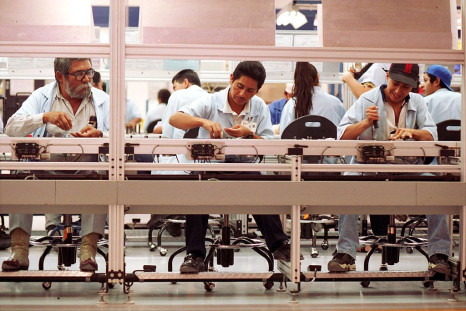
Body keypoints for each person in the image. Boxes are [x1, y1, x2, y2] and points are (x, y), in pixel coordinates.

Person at [169, 61, 296, 274]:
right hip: (210, 166)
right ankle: (195, 255)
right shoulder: (209, 101)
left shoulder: (259, 107)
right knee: (197, 190)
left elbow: (268, 142)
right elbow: (175, 119)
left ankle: (279, 245)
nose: (242, 94)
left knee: (260, 186)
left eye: (250, 90)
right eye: (239, 86)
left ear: (257, 90)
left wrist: (249, 135)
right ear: (231, 79)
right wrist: (203, 122)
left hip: (244, 167)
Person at [327, 63, 451, 276]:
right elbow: (342, 136)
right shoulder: (366, 99)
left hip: (408, 168)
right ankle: (345, 253)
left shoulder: (419, 102)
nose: (398, 91)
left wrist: (411, 132)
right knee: (348, 181)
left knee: (434, 185)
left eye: (405, 87)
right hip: (368, 167)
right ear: (386, 77)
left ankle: (438, 254)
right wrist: (366, 122)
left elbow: (432, 137)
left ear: (414, 87)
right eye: (395, 84)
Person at [2, 58, 109, 272]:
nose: (87, 78)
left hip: (85, 168)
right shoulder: (41, 97)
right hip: (47, 168)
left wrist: (101, 134)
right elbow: (11, 127)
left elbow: (121, 135)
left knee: (101, 173)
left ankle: (88, 251)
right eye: (79, 74)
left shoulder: (102, 100)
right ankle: (19, 250)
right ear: (60, 76)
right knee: (20, 170)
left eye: (89, 72)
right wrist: (42, 117)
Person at [341, 63, 392, 242]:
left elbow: (365, 96)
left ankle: (381, 238)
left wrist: (347, 78)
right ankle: (347, 250)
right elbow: (343, 134)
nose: (399, 91)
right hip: (371, 164)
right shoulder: (373, 69)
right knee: (352, 182)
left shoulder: (378, 67)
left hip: (398, 167)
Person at [279, 62, 345, 132]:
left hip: (298, 143)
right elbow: (344, 134)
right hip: (330, 143)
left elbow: (283, 136)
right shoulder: (335, 103)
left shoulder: (290, 105)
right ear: (317, 77)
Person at [161, 69, 209, 139]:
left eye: (175, 87)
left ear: (185, 82)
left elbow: (167, 132)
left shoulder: (177, 95)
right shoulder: (210, 97)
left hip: (180, 146)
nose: (174, 90)